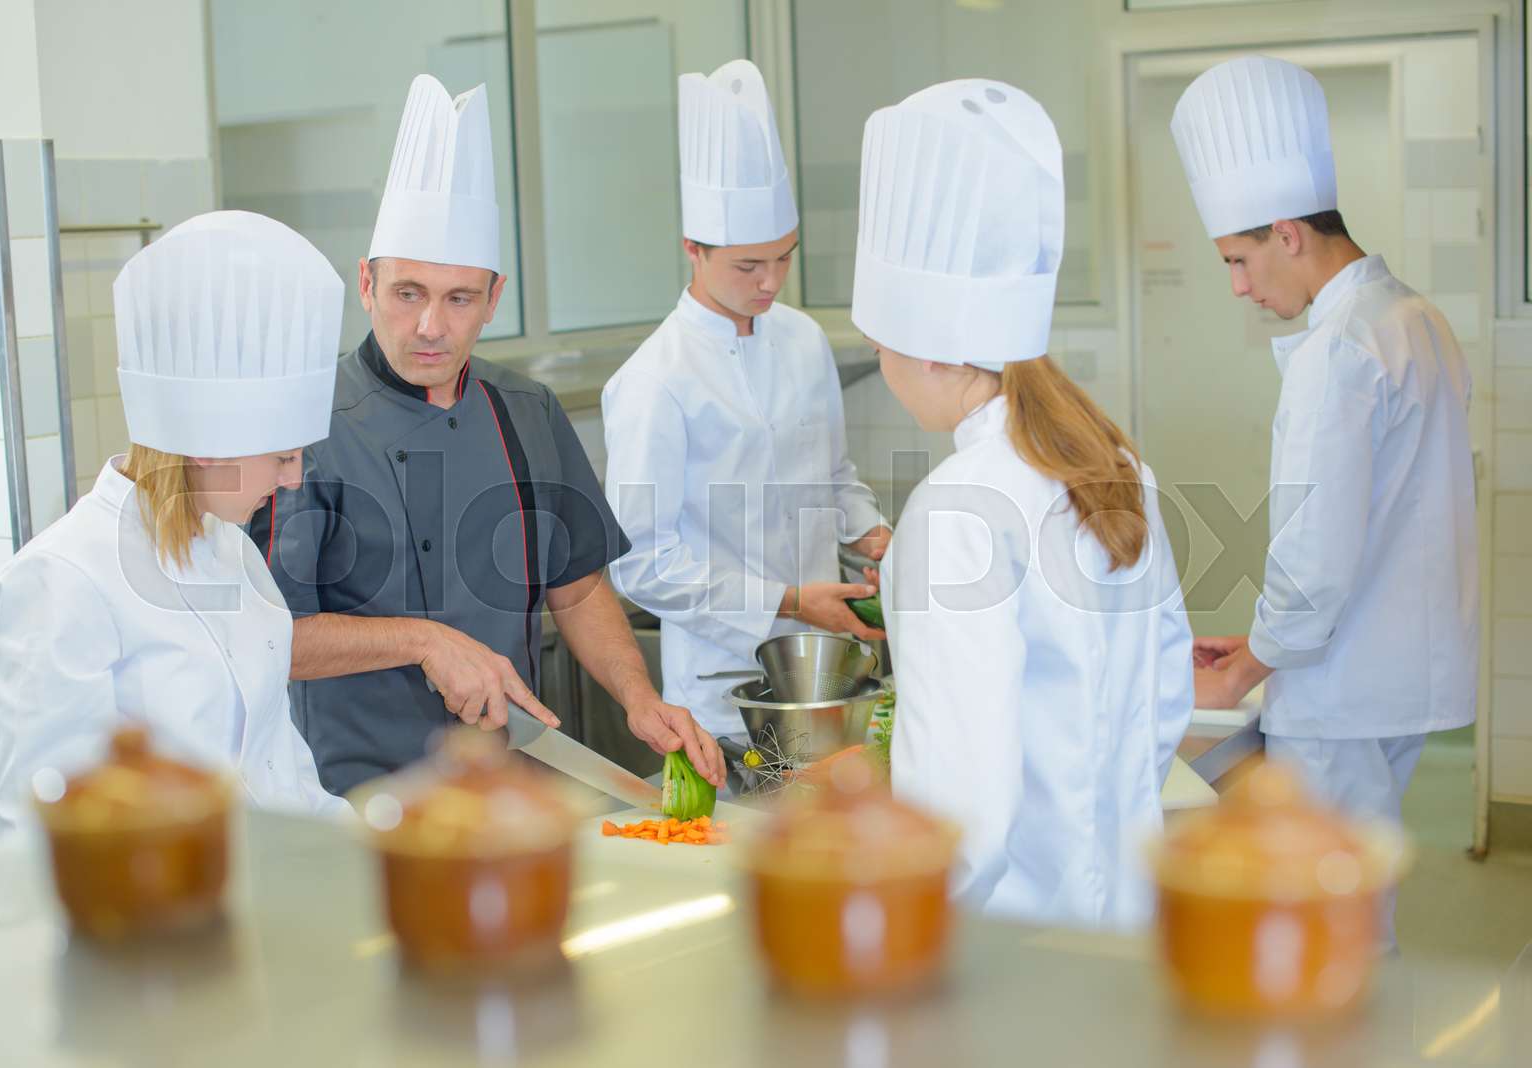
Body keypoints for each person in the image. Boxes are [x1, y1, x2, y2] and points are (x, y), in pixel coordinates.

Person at [253, 75, 725, 795]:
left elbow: (577, 587)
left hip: (510, 791)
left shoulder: (526, 409)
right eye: (408, 293)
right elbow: (270, 635)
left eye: (459, 298)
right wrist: (425, 640)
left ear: (494, 298)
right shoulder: (304, 429)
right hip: (359, 803)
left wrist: (639, 696)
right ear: (367, 284)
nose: (431, 326)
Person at [855, 80, 1194, 929]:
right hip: (1124, 911)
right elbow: (1164, 699)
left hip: (1008, 941)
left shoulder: (956, 510)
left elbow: (958, 795)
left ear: (931, 353)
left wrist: (907, 928)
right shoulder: (1111, 461)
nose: (876, 359)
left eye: (880, 340)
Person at [1170, 57, 1478, 844]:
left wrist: (1251, 666)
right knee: (1356, 891)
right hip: (1395, 675)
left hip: (1338, 696)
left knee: (1325, 912)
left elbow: (1315, 552)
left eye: (1238, 260)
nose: (1239, 287)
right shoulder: (1412, 318)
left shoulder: (1337, 351)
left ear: (1287, 233)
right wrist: (1265, 641)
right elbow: (1387, 520)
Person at [0, 210, 349, 825]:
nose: (292, 479)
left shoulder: (229, 549)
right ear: (207, 442)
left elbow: (280, 772)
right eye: (283, 455)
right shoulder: (63, 579)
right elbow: (41, 836)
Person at [603, 59, 889, 742]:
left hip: (828, 668)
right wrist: (789, 602)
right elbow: (641, 562)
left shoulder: (803, 338)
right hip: (724, 685)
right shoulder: (654, 380)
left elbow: (834, 476)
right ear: (693, 251)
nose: (771, 282)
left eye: (784, 259)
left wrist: (877, 537)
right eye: (748, 266)